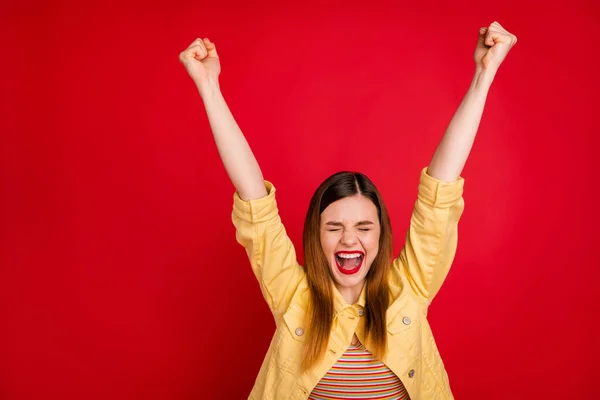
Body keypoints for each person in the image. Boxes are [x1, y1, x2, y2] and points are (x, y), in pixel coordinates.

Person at [179, 21, 517, 400]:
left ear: (380, 234)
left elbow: (440, 192)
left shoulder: (411, 288)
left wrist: (483, 76)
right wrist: (208, 87)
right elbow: (255, 202)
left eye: (363, 226)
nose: (350, 239)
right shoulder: (293, 296)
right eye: (334, 227)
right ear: (316, 235)